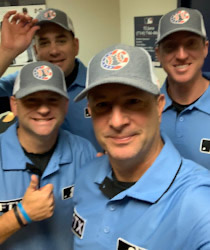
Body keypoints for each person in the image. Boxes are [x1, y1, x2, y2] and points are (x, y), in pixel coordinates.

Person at [71, 44, 210, 249]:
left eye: (133, 101)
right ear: (90, 111)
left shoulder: (197, 204)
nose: (117, 122)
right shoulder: (86, 176)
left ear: (159, 105)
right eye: (102, 105)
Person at [0, 61, 96, 249]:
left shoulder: (85, 152)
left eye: (52, 99)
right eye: (31, 100)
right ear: (14, 105)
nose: (43, 109)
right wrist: (21, 214)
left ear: (65, 105)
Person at [0, 8, 101, 151]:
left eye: (61, 41)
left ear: (75, 45)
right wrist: (6, 51)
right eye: (44, 43)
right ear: (35, 51)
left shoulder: (98, 84)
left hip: (89, 169)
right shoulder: (21, 84)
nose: (54, 51)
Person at [155, 7, 210, 169]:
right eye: (171, 46)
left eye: (191, 44)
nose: (181, 55)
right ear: (158, 54)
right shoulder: (146, 110)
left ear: (205, 48)